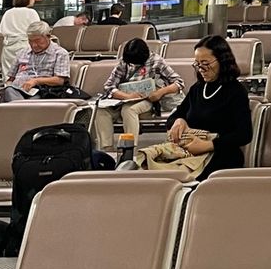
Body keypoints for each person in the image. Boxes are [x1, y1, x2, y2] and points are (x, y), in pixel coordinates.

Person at [161, 36, 253, 176]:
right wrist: (179, 121)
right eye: (197, 64)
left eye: (205, 63)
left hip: (222, 156)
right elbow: (175, 116)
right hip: (192, 154)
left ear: (222, 61)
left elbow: (244, 134)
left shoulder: (236, 91)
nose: (201, 69)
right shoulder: (198, 89)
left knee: (177, 174)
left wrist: (209, 145)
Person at [91, 37, 185, 149]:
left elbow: (179, 82)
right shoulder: (124, 63)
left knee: (129, 110)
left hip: (147, 101)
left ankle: (130, 149)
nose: (132, 64)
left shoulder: (156, 61)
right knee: (100, 111)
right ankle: (106, 149)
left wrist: (160, 92)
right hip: (125, 99)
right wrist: (127, 96)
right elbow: (108, 86)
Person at [2, 22, 72, 101]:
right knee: (9, 90)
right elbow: (11, 78)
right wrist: (7, 85)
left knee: (33, 101)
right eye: (30, 41)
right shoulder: (22, 53)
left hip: (41, 91)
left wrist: (36, 81)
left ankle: (20, 109)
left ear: (48, 36)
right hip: (17, 90)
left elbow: (59, 80)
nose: (34, 45)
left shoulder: (60, 53)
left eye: (37, 41)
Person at [0, 0, 42, 73]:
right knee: (25, 76)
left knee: (9, 77)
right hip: (26, 46)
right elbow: (38, 32)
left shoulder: (8, 13)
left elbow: (0, 34)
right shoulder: (31, 13)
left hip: (8, 49)